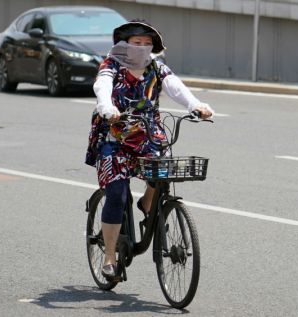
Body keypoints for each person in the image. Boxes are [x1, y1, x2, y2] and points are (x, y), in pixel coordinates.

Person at [85, 20, 214, 280]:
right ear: (124, 44)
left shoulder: (156, 66)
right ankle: (109, 257)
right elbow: (103, 86)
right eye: (137, 42)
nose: (143, 48)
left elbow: (175, 86)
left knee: (164, 171)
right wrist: (107, 107)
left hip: (148, 133)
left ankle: (147, 203)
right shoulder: (112, 65)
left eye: (147, 43)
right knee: (117, 194)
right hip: (115, 135)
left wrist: (196, 105)